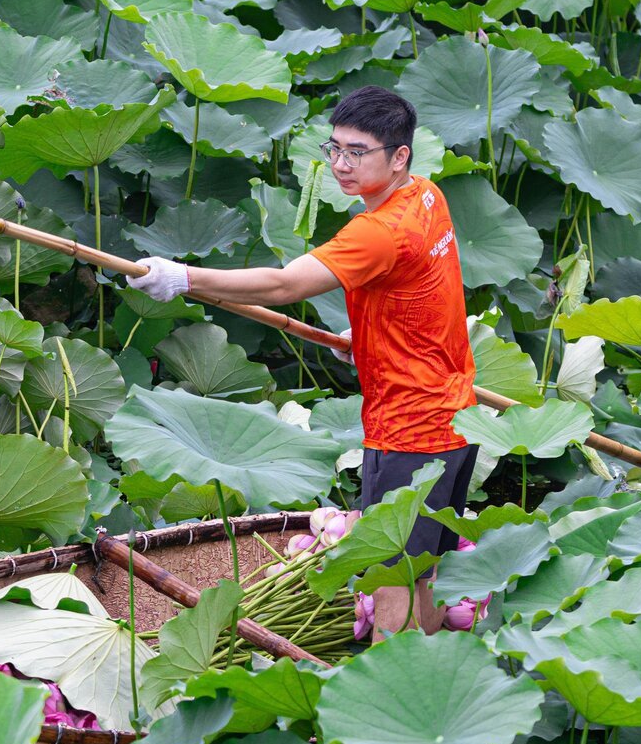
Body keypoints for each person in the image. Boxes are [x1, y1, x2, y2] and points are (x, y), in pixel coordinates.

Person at [126, 84, 478, 638]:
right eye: (333, 148)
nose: (340, 164)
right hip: (458, 416)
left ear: (400, 156)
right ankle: (431, 690)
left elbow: (285, 283)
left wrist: (184, 278)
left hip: (411, 429)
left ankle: (390, 708)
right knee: (422, 573)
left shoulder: (378, 232)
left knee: (392, 581)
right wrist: (367, 329)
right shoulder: (427, 197)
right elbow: (423, 290)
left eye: (357, 153)